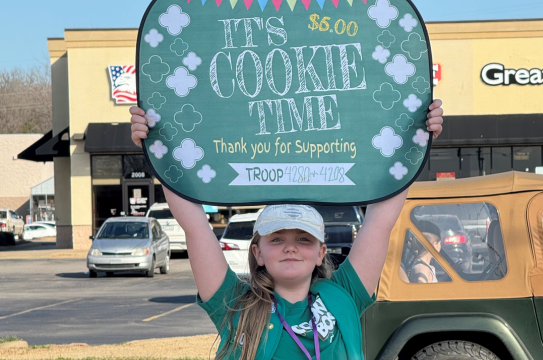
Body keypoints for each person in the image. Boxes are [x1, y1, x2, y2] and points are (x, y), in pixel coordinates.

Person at [129, 100, 444, 360]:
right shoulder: (233, 302)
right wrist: (156, 147)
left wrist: (415, 140)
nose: (290, 247)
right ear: (258, 252)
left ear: (321, 252)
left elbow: (380, 220)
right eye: (277, 238)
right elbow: (195, 226)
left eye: (303, 239)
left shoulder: (346, 293)